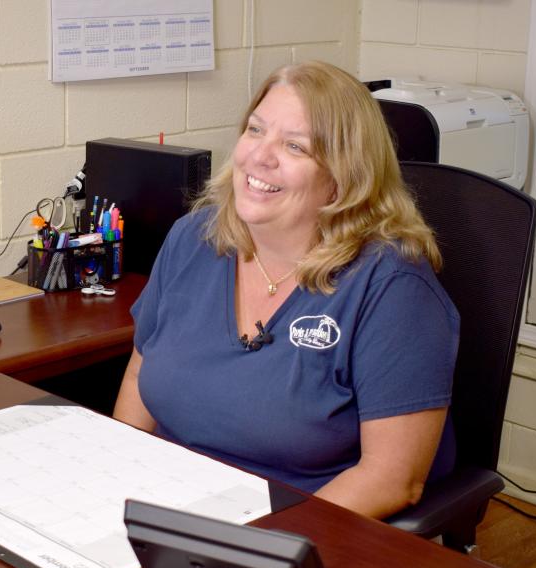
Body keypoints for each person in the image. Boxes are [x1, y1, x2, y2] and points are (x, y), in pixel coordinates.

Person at [113, 61, 460, 520]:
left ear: (343, 177)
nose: (260, 156)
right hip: (172, 506)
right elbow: (141, 375)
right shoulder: (194, 237)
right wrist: (113, 480)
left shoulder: (391, 286)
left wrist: (256, 550)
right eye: (255, 130)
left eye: (295, 146)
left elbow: (392, 478)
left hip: (300, 529)